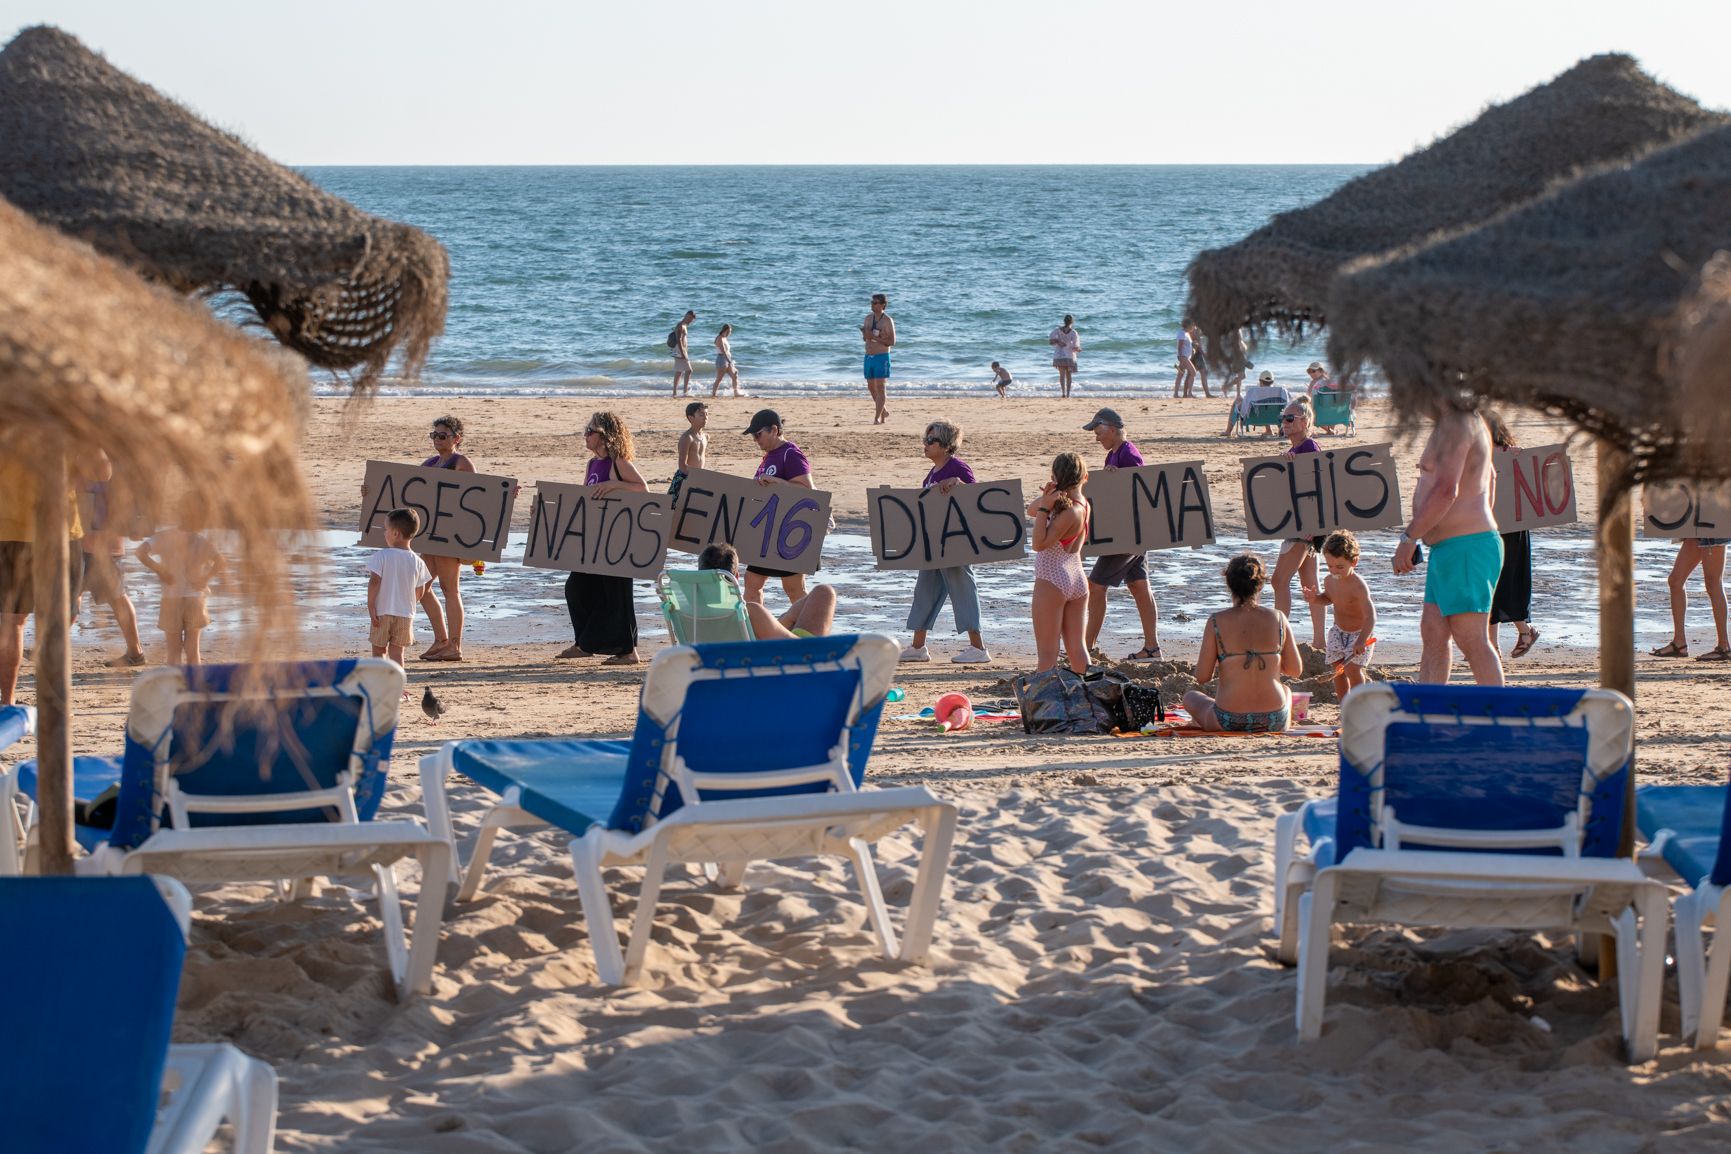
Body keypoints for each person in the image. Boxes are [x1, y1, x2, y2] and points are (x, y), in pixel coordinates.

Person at [1392, 402, 1505, 686]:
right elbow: (1490, 476)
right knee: (1433, 633)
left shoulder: (1458, 423)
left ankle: (1498, 712)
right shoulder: (1454, 423)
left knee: (1472, 639)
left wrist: (1409, 537)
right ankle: (1428, 706)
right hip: (1449, 548)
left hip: (1466, 547)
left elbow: (1446, 491)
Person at [0, 437, 95, 703]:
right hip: (57, 532)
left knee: (12, 622)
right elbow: (100, 470)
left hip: (12, 530)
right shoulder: (65, 422)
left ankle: (7, 703)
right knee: (56, 620)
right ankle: (51, 704)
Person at [558, 411, 648, 664]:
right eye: (586, 430)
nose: (585, 435)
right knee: (576, 588)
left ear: (605, 435)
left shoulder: (618, 462)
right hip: (594, 539)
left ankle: (629, 651)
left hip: (617, 540)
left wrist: (614, 485)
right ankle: (585, 643)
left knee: (618, 595)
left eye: (590, 431)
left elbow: (643, 490)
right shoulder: (591, 464)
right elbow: (585, 498)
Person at [899, 422, 991, 664]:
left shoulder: (958, 467)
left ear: (947, 445)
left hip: (955, 543)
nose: (925, 444)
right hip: (934, 544)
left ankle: (978, 648)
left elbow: (977, 498)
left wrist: (959, 484)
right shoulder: (932, 473)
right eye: (925, 439)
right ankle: (918, 647)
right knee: (925, 592)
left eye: (931, 441)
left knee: (963, 590)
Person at [1184, 553, 1302, 732]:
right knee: (1285, 690)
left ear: (1229, 583)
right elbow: (1295, 670)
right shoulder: (1278, 618)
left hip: (1228, 719)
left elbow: (1202, 677)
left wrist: (1226, 660)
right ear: (1260, 584)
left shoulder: (1216, 621)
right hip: (1274, 719)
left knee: (1191, 697)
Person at [1080, 408, 1163, 663]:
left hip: (1128, 534)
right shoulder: (1113, 454)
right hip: (1130, 532)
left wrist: (1121, 479)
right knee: (1139, 586)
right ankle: (1152, 648)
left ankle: (1087, 648)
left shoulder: (1128, 453)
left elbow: (1140, 487)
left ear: (1114, 429)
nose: (1097, 438)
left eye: (1099, 432)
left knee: (1096, 586)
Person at [414, 416, 474, 662]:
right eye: (434, 435)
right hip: (430, 533)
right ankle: (441, 640)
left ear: (456, 438)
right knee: (421, 586)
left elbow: (478, 496)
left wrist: (506, 493)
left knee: (450, 589)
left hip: (450, 534)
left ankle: (455, 645)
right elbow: (408, 488)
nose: (437, 439)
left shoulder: (461, 463)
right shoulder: (429, 463)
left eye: (442, 435)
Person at [135, 499, 223, 667]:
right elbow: (220, 562)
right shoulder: (201, 540)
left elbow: (140, 552)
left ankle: (174, 678)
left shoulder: (164, 537)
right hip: (195, 598)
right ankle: (194, 678)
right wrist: (205, 578)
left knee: (173, 649)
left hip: (171, 598)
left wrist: (160, 570)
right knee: (193, 649)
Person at [742, 408, 816, 607]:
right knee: (752, 582)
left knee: (793, 588)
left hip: (790, 532)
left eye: (758, 434)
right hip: (768, 532)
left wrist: (778, 482)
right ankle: (758, 625)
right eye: (753, 436)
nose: (755, 440)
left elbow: (808, 491)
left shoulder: (791, 453)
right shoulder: (769, 455)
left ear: (774, 430)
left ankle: (810, 624)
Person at [1270, 396, 1327, 651]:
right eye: (1283, 418)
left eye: (1290, 418)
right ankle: (1320, 642)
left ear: (1305, 422)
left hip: (1305, 525)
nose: (1285, 422)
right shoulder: (1298, 449)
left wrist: (1313, 526)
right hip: (1304, 523)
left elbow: (1317, 487)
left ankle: (1280, 639)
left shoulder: (1309, 448)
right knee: (1310, 584)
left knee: (1278, 581)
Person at [1483, 412, 1540, 660]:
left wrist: (1518, 456)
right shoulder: (1476, 454)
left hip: (1511, 527)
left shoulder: (1511, 454)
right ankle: (1493, 645)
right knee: (1490, 584)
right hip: (1488, 526)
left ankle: (1523, 632)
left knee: (1504, 582)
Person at [1028, 452, 1090, 673]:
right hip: (1077, 577)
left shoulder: (1069, 511)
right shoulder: (1083, 504)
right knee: (1078, 649)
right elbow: (1031, 509)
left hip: (1052, 577)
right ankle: (1089, 691)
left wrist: (1045, 507)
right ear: (1085, 477)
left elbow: (1038, 544)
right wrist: (1048, 498)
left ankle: (1046, 694)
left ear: (1055, 476)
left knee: (1047, 652)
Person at [76, 479, 146, 668]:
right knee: (74, 593)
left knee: (117, 597)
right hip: (87, 545)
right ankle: (49, 647)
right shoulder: (97, 476)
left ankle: (136, 652)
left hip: (102, 547)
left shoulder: (106, 475)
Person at [699, 544, 837, 639]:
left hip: (723, 658)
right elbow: (797, 647)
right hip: (785, 658)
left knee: (791, 615)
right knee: (824, 593)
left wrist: (785, 620)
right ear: (736, 576)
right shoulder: (751, 612)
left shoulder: (689, 608)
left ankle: (783, 621)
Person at [1302, 530, 1378, 702]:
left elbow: (1371, 616)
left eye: (1340, 567)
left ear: (1354, 562)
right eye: (1330, 566)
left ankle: (1359, 704)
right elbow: (1328, 598)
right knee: (1338, 671)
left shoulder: (1358, 586)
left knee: (1353, 670)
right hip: (1338, 632)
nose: (1334, 570)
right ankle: (1344, 705)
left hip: (1360, 634)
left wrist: (1362, 640)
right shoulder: (1329, 580)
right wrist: (1315, 599)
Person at [366, 508, 433, 667]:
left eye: (386, 529)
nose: (384, 533)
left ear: (395, 533)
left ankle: (381, 679)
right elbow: (421, 590)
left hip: (382, 612)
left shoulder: (382, 556)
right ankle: (398, 680)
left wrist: (371, 605)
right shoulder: (418, 561)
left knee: (379, 650)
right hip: (405, 614)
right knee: (397, 652)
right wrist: (410, 603)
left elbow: (374, 581)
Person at [1650, 538, 1729, 662]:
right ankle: (1679, 643)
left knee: (1713, 583)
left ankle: (1724, 647)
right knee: (1675, 580)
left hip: (1714, 530)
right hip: (1696, 529)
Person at [861, 293, 896, 425]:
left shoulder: (887, 320)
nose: (872, 305)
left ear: (882, 305)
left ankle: (877, 418)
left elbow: (892, 342)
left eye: (875, 303)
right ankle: (883, 411)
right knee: (871, 387)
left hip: (882, 357)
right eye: (872, 302)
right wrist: (865, 335)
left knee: (881, 387)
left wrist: (874, 337)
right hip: (868, 356)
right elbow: (866, 338)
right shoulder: (868, 318)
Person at [1224, 370, 1289, 438]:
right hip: (1274, 419)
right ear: (1272, 382)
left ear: (1260, 381)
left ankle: (1228, 431)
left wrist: (1239, 405)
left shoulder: (1253, 392)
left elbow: (1244, 409)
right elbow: (1286, 406)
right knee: (1267, 407)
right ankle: (1269, 430)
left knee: (1237, 403)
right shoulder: (1281, 392)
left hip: (1254, 419)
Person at [670, 401, 707, 505]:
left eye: (706, 414)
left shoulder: (705, 437)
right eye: (701, 415)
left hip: (698, 477)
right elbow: (682, 465)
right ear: (691, 418)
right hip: (684, 478)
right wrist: (693, 477)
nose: (705, 418)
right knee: (675, 507)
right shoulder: (687, 437)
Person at [1306, 361, 1351, 434]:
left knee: (1309, 415)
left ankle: (1330, 430)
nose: (1311, 374)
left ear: (1321, 371)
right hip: (1334, 411)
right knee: (1330, 408)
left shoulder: (1314, 382)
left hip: (1318, 411)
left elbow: (1307, 397)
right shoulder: (1331, 381)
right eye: (1309, 372)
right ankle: (1330, 430)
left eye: (1313, 371)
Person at [1049, 315, 1081, 398]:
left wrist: (1058, 341)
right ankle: (1068, 394)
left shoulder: (1057, 330)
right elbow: (1075, 346)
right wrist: (1078, 349)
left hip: (1059, 355)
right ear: (1072, 322)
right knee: (1068, 376)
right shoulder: (1073, 332)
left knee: (1062, 375)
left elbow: (1051, 341)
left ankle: (1063, 393)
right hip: (1069, 355)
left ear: (1064, 321)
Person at [669, 310, 696, 397]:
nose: (690, 320)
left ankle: (675, 392)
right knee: (689, 370)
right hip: (679, 350)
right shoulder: (680, 325)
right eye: (689, 317)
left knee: (679, 371)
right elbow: (679, 340)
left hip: (681, 350)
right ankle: (684, 391)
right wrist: (683, 352)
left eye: (691, 319)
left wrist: (685, 350)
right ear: (685, 315)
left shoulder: (684, 325)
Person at [711, 324, 742, 397]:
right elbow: (723, 351)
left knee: (735, 374)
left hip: (727, 359)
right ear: (725, 330)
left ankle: (736, 393)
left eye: (730, 332)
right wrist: (729, 361)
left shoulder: (724, 338)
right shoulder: (719, 338)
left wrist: (729, 360)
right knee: (719, 378)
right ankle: (713, 394)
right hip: (722, 359)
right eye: (729, 331)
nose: (730, 333)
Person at [1173, 322, 1203, 398]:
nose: (1194, 327)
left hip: (1185, 357)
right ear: (1189, 325)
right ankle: (1189, 394)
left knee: (1180, 375)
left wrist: (1193, 347)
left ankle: (1176, 394)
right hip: (1183, 357)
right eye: (1194, 326)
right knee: (1193, 372)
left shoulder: (1186, 333)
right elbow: (1180, 346)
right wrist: (1180, 357)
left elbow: (1186, 345)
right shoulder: (1182, 333)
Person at [1188, 322, 1212, 397]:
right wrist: (1204, 354)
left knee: (1193, 374)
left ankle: (1188, 393)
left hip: (1194, 353)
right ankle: (1206, 394)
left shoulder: (1194, 329)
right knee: (1199, 373)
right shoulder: (1194, 329)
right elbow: (1196, 344)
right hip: (1196, 354)